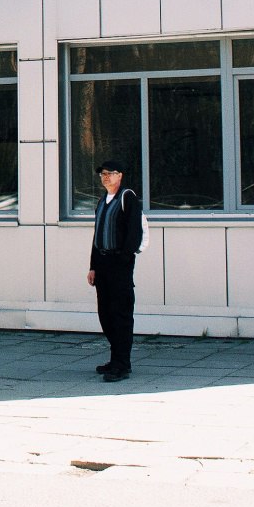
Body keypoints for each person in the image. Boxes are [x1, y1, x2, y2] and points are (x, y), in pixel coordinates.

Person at [85, 160, 143, 382]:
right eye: (103, 174)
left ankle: (122, 365)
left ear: (121, 176)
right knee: (105, 315)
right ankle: (115, 358)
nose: (106, 177)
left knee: (120, 315)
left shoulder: (127, 197)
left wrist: (124, 259)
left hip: (119, 265)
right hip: (102, 265)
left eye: (110, 173)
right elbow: (97, 234)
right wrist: (92, 266)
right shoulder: (102, 201)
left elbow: (134, 233)